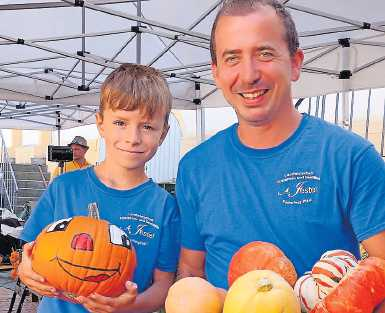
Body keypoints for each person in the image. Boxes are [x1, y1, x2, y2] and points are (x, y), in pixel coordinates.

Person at [176, 0, 385, 302]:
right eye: (232, 58)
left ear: (296, 63)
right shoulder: (195, 167)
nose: (248, 75)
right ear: (216, 72)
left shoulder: (350, 157)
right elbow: (191, 272)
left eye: (264, 53)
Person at [18, 63, 180, 313]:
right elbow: (27, 253)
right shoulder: (64, 188)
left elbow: (163, 286)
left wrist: (126, 307)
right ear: (101, 123)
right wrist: (25, 270)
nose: (133, 137)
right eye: (121, 122)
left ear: (163, 133)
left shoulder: (164, 207)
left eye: (147, 126)